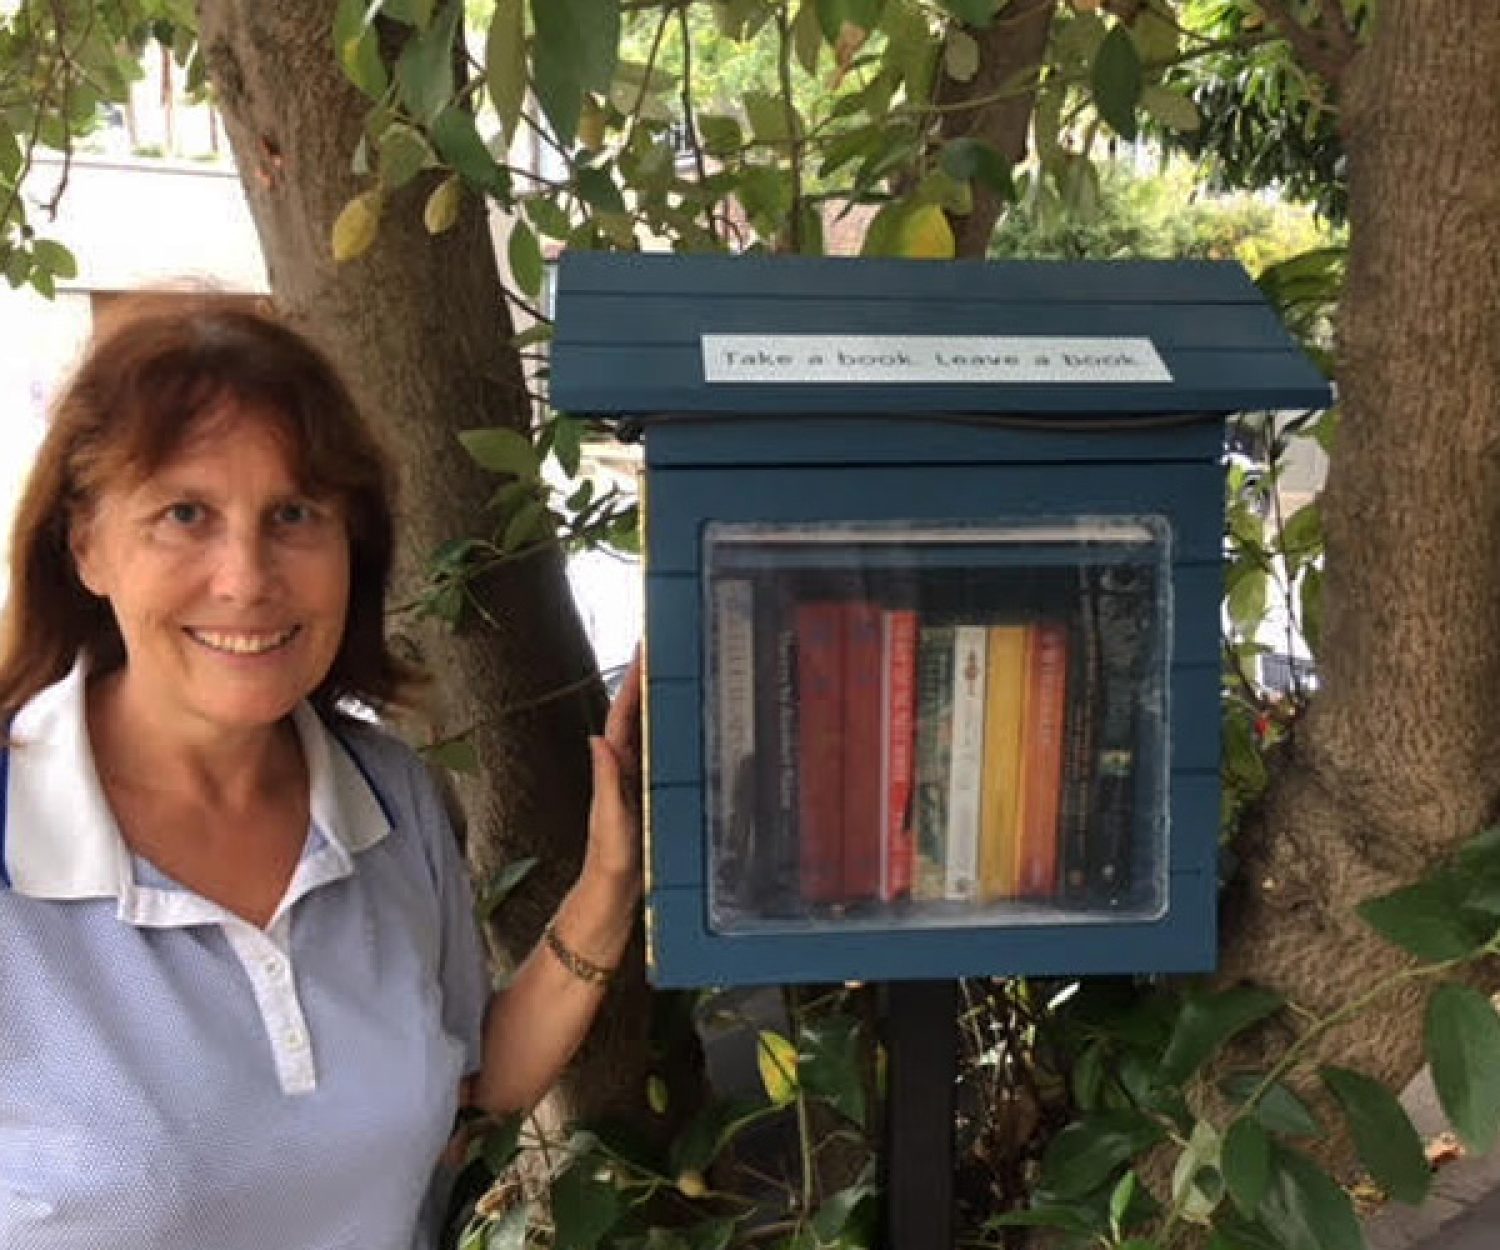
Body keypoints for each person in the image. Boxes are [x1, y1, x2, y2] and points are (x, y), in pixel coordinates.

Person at [0, 297, 642, 1249]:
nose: (247, 578)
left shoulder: (388, 798)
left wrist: (610, 883)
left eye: (293, 514)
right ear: (85, 544)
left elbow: (466, 1093)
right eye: (185, 514)